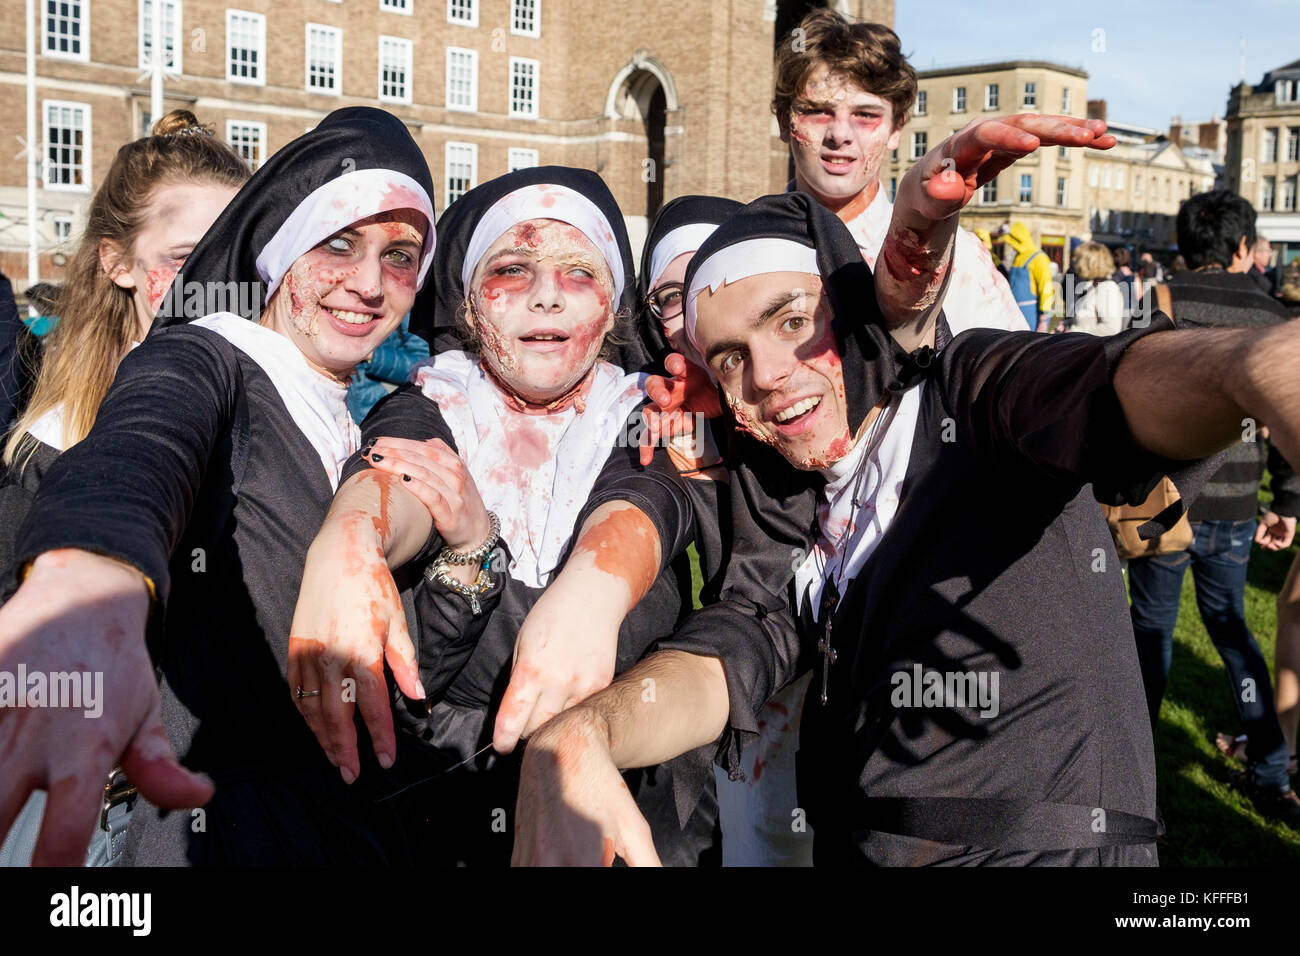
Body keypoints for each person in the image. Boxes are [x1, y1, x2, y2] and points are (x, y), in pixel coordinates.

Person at [511, 113, 1300, 867]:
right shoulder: (802, 505)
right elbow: (735, 651)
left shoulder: (971, 399)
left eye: (792, 322)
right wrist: (587, 732)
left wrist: (1250, 369)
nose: (769, 375)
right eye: (730, 359)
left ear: (852, 314)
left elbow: (1108, 387)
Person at [0, 106, 438, 865]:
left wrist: (459, 549)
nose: (369, 283)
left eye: (400, 256)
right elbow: (140, 444)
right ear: (281, 244)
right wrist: (87, 569)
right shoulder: (211, 357)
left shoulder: (375, 408)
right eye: (338, 242)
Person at [286, 167, 710, 865]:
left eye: (578, 272)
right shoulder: (434, 402)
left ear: (611, 308)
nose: (546, 295)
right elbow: (399, 472)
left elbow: (646, 499)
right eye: (513, 269)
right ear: (469, 305)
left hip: (629, 801)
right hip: (437, 810)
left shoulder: (651, 418)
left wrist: (592, 586)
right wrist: (352, 533)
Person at [1124, 189, 1299, 819]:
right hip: (1233, 505)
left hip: (1163, 498)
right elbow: (1288, 418)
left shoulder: (1160, 299)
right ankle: (1272, 767)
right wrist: (1288, 501)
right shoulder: (1275, 316)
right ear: (1244, 247)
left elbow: (1125, 396)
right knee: (1231, 630)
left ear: (1185, 242)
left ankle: (1130, 776)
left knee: (1149, 632)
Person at [773, 9, 1023, 336]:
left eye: (864, 115)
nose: (839, 134)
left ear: (896, 130)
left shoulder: (957, 258)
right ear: (782, 121)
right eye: (818, 111)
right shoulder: (735, 249)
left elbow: (1017, 375)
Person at [345, 312, 429, 423]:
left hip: (382, 415)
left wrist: (371, 355)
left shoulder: (404, 308)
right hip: (339, 416)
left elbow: (424, 367)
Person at [998, 221, 1054, 331]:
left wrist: (1043, 320)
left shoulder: (1039, 257)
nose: (1011, 244)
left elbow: (1046, 288)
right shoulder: (1018, 257)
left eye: (1013, 240)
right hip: (1014, 313)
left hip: (1032, 314)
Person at [1064, 241, 1125, 336]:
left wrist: (1074, 333)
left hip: (1092, 349)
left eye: (1078, 259)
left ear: (1090, 263)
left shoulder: (1107, 289)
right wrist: (1065, 325)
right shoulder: (1090, 286)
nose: (1075, 262)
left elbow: (1111, 329)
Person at [1110, 245, 1142, 328]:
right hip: (1131, 312)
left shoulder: (1111, 277)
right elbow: (1140, 297)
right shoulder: (1135, 277)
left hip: (1114, 312)